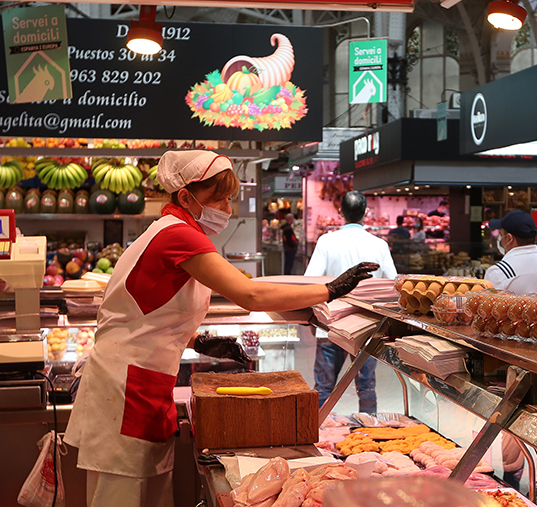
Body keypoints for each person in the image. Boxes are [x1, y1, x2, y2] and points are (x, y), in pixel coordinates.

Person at [63, 151, 378, 507]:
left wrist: (201, 341)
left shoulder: (170, 230)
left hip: (140, 382)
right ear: (185, 197)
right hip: (125, 389)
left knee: (147, 496)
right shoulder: (178, 235)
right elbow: (250, 294)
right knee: (119, 498)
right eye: (220, 199)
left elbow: (149, 312)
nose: (228, 209)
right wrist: (330, 290)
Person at [305, 191, 398, 413]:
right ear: (366, 212)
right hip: (367, 328)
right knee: (366, 387)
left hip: (330, 325)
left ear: (341, 212)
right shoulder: (379, 245)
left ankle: (318, 433)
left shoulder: (326, 241)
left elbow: (310, 281)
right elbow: (394, 284)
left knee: (324, 387)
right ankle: (366, 433)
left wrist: (311, 318)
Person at [485, 210, 537, 300]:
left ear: (509, 238)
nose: (500, 239)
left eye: (501, 234)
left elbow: (490, 311)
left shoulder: (498, 272)